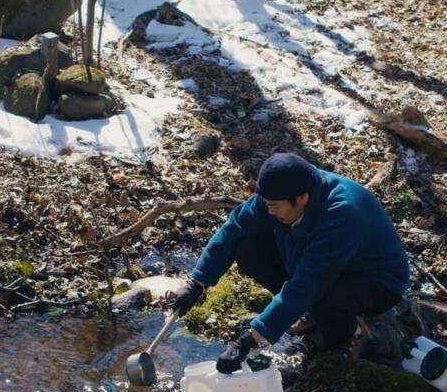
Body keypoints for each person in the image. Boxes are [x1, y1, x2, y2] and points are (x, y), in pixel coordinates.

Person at [170, 152, 410, 373]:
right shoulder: (279, 196)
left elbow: (307, 284)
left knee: (327, 301)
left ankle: (348, 333)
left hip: (376, 281)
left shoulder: (341, 213)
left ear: (302, 198)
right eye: (266, 204)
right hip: (315, 265)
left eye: (274, 206)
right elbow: (233, 230)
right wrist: (197, 282)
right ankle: (305, 313)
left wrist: (250, 338)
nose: (269, 211)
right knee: (247, 247)